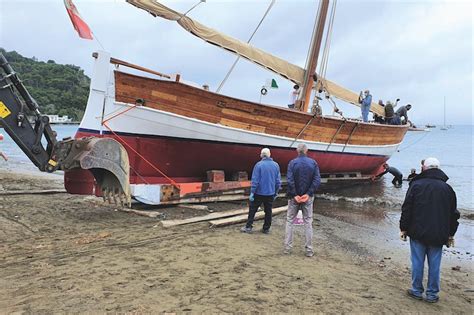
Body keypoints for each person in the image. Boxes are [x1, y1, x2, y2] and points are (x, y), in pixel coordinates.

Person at [400, 157, 459, 303]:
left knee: (417, 261)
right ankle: (432, 294)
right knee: (435, 264)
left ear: (423, 168)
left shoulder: (416, 185)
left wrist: (403, 228)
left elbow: (407, 208)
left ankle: (416, 290)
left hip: (417, 230)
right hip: (439, 233)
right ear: (438, 169)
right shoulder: (447, 189)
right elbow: (454, 214)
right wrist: (451, 233)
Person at [284, 143, 321, 257]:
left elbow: (289, 180)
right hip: (307, 197)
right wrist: (308, 194)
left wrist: (295, 194)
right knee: (308, 222)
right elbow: (317, 180)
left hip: (294, 197)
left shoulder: (292, 163)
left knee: (290, 221)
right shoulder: (313, 163)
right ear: (307, 151)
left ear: (297, 151)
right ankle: (309, 250)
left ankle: (287, 248)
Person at [241, 148, 281, 234]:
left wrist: (252, 192)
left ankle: (248, 227)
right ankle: (266, 228)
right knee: (268, 211)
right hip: (270, 192)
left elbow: (255, 181)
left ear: (261, 155)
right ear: (270, 154)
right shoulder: (276, 165)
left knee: (253, 210)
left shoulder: (258, 165)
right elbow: (278, 181)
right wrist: (276, 192)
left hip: (259, 192)